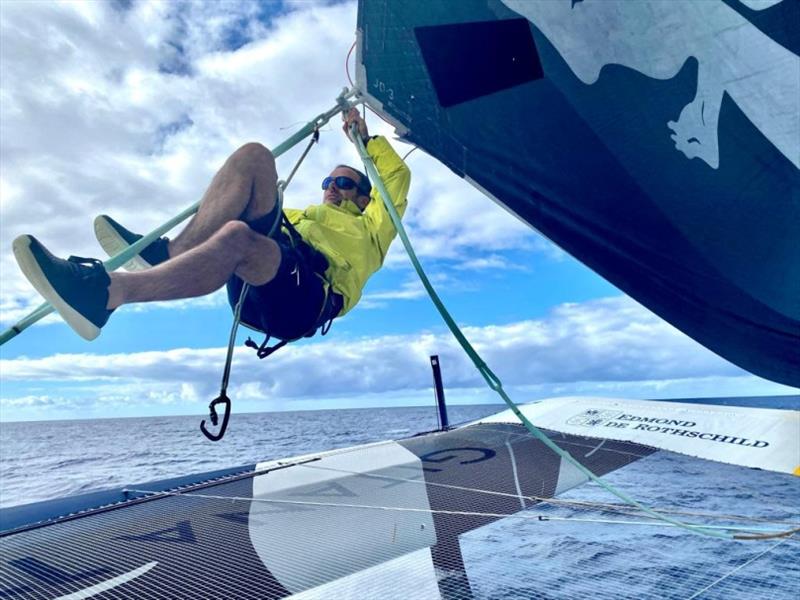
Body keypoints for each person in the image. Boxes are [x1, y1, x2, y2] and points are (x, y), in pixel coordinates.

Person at [13, 108, 411, 343]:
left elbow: (396, 181)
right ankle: (167, 254)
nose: (332, 189)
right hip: (271, 264)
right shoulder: (304, 214)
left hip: (307, 297)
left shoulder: (375, 227)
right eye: (328, 182)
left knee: (239, 238)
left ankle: (104, 294)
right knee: (254, 157)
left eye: (343, 183)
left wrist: (366, 139)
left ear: (363, 196)